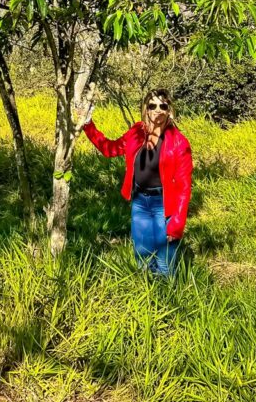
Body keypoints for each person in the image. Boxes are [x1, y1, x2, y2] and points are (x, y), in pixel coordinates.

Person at [80, 89, 192, 277]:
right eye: (152, 105)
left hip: (164, 205)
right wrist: (87, 125)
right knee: (143, 257)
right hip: (140, 202)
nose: (157, 110)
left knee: (165, 262)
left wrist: (177, 223)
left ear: (169, 110)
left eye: (163, 106)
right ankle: (148, 298)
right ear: (146, 109)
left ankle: (169, 300)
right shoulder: (136, 132)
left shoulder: (179, 142)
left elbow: (184, 185)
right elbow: (111, 149)